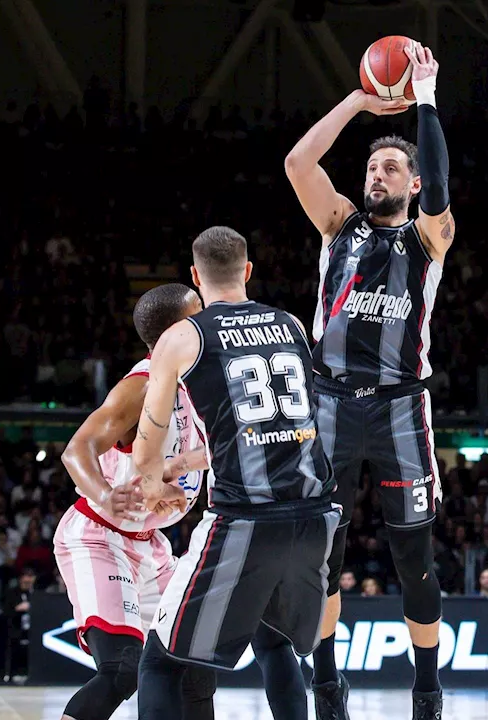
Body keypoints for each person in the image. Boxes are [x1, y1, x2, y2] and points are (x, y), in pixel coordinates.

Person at [284, 40, 453, 720]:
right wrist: (357, 99)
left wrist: (427, 101)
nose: (377, 173)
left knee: (414, 557)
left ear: (412, 185)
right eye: (372, 165)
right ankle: (327, 682)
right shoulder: (338, 226)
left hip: (400, 409)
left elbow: (439, 187)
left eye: (391, 166)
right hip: (327, 404)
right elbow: (299, 162)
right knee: (322, 554)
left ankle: (427, 687)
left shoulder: (427, 239)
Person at [133, 227, 338, 720]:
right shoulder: (290, 323)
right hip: (315, 516)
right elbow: (281, 423)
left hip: (244, 519)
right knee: (275, 644)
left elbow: (147, 443)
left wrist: (154, 481)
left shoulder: (183, 335)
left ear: (194, 277)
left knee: (159, 663)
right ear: (247, 271)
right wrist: (186, 462)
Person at [53, 284, 215, 720]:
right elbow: (76, 450)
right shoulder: (139, 387)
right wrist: (107, 494)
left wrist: (179, 466)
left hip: (152, 544)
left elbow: (168, 459)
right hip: (99, 535)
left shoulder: (194, 381)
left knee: (193, 668)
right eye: (197, 316)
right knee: (122, 670)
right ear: (175, 332)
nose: (207, 322)